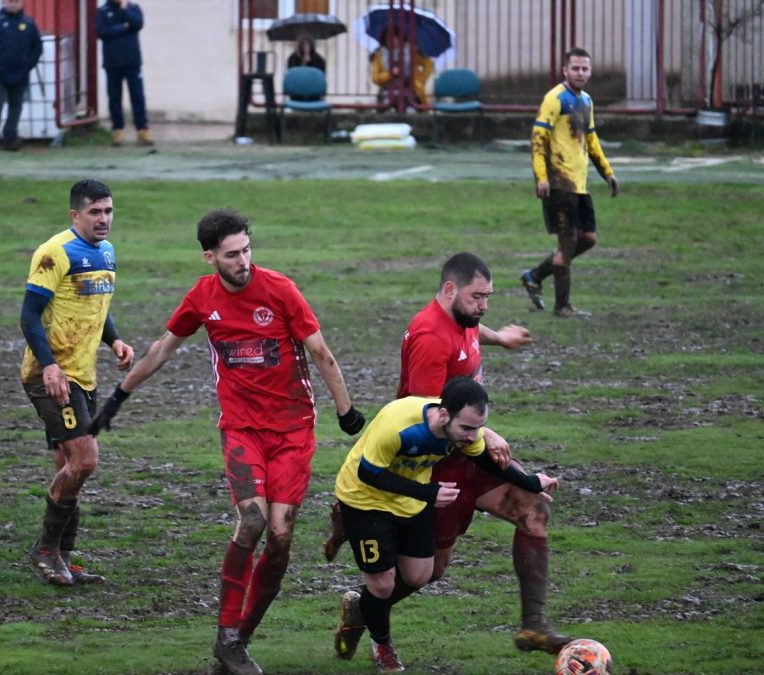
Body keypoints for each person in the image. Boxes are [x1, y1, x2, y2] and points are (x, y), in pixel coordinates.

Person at [88, 208, 365, 675]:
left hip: (293, 431)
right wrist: (118, 397)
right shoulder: (203, 297)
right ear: (210, 257)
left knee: (280, 539)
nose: (244, 261)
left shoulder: (280, 289)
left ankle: (239, 640)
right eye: (233, 254)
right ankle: (226, 635)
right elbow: (162, 348)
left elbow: (320, 351)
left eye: (247, 250)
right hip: (241, 429)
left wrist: (346, 411)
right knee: (253, 521)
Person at [330, 252, 573, 658]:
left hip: (470, 453)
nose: (484, 306)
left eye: (487, 297)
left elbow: (472, 336)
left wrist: (501, 338)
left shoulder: (464, 320)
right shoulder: (429, 337)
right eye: (478, 297)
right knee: (429, 571)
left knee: (534, 510)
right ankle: (364, 606)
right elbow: (431, 409)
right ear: (449, 290)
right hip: (438, 466)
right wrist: (487, 433)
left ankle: (534, 627)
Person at [334, 377, 557, 672]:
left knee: (419, 575)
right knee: (383, 583)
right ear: (443, 414)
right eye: (467, 428)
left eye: (479, 428)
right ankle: (383, 645)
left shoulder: (463, 433)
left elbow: (486, 461)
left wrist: (531, 482)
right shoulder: (397, 426)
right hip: (365, 501)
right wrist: (429, 493)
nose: (473, 436)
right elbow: (369, 474)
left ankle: (360, 609)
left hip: (409, 501)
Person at [20, 179, 134, 587]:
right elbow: (29, 317)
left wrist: (115, 339)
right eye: (94, 212)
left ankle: (62, 559)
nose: (103, 219)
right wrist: (49, 366)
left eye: (108, 211)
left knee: (69, 468)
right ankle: (45, 551)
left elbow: (96, 308)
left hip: (83, 375)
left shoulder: (106, 252)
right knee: (85, 460)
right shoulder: (55, 252)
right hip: (49, 375)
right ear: (75, 215)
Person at [521, 46, 620, 317]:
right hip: (559, 183)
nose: (580, 73)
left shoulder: (586, 101)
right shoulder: (555, 99)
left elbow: (591, 140)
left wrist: (607, 172)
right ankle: (562, 306)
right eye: (575, 68)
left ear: (590, 71)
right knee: (567, 244)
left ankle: (535, 275)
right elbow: (538, 139)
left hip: (579, 184)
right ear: (565, 70)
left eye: (585, 68)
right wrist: (541, 177)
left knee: (588, 238)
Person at [0, 0, 43, 152]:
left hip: (20, 73)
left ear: (21, 3)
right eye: (9, 1)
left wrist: (29, 64)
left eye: (16, 1)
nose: (13, 4)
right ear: (3, 3)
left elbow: (37, 46)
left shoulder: (28, 22)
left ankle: (10, 137)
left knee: (16, 105)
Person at [95, 0, 153, 147]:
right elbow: (102, 31)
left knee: (137, 96)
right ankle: (118, 130)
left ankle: (142, 130)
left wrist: (125, 10)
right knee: (114, 98)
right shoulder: (103, 11)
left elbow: (138, 24)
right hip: (112, 63)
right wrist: (124, 27)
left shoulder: (133, 8)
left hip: (132, 61)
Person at [370, 28, 434, 108]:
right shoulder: (379, 55)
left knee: (412, 109)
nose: (391, 41)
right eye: (388, 38)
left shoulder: (411, 51)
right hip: (388, 92)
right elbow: (376, 78)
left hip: (412, 91)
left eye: (394, 37)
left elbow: (428, 64)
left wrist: (421, 79)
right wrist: (390, 73)